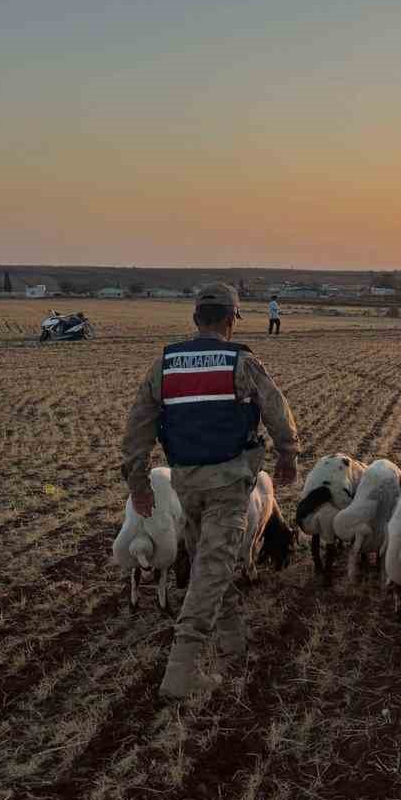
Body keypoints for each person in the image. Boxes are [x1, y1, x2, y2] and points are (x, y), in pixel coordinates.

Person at [121, 283, 300, 702]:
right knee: (212, 568)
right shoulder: (241, 361)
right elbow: (276, 409)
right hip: (228, 484)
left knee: (211, 560)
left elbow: (138, 427)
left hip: (186, 483)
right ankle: (181, 674)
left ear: (195, 319)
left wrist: (138, 483)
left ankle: (233, 641)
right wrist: (288, 455)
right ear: (230, 319)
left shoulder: (164, 365)